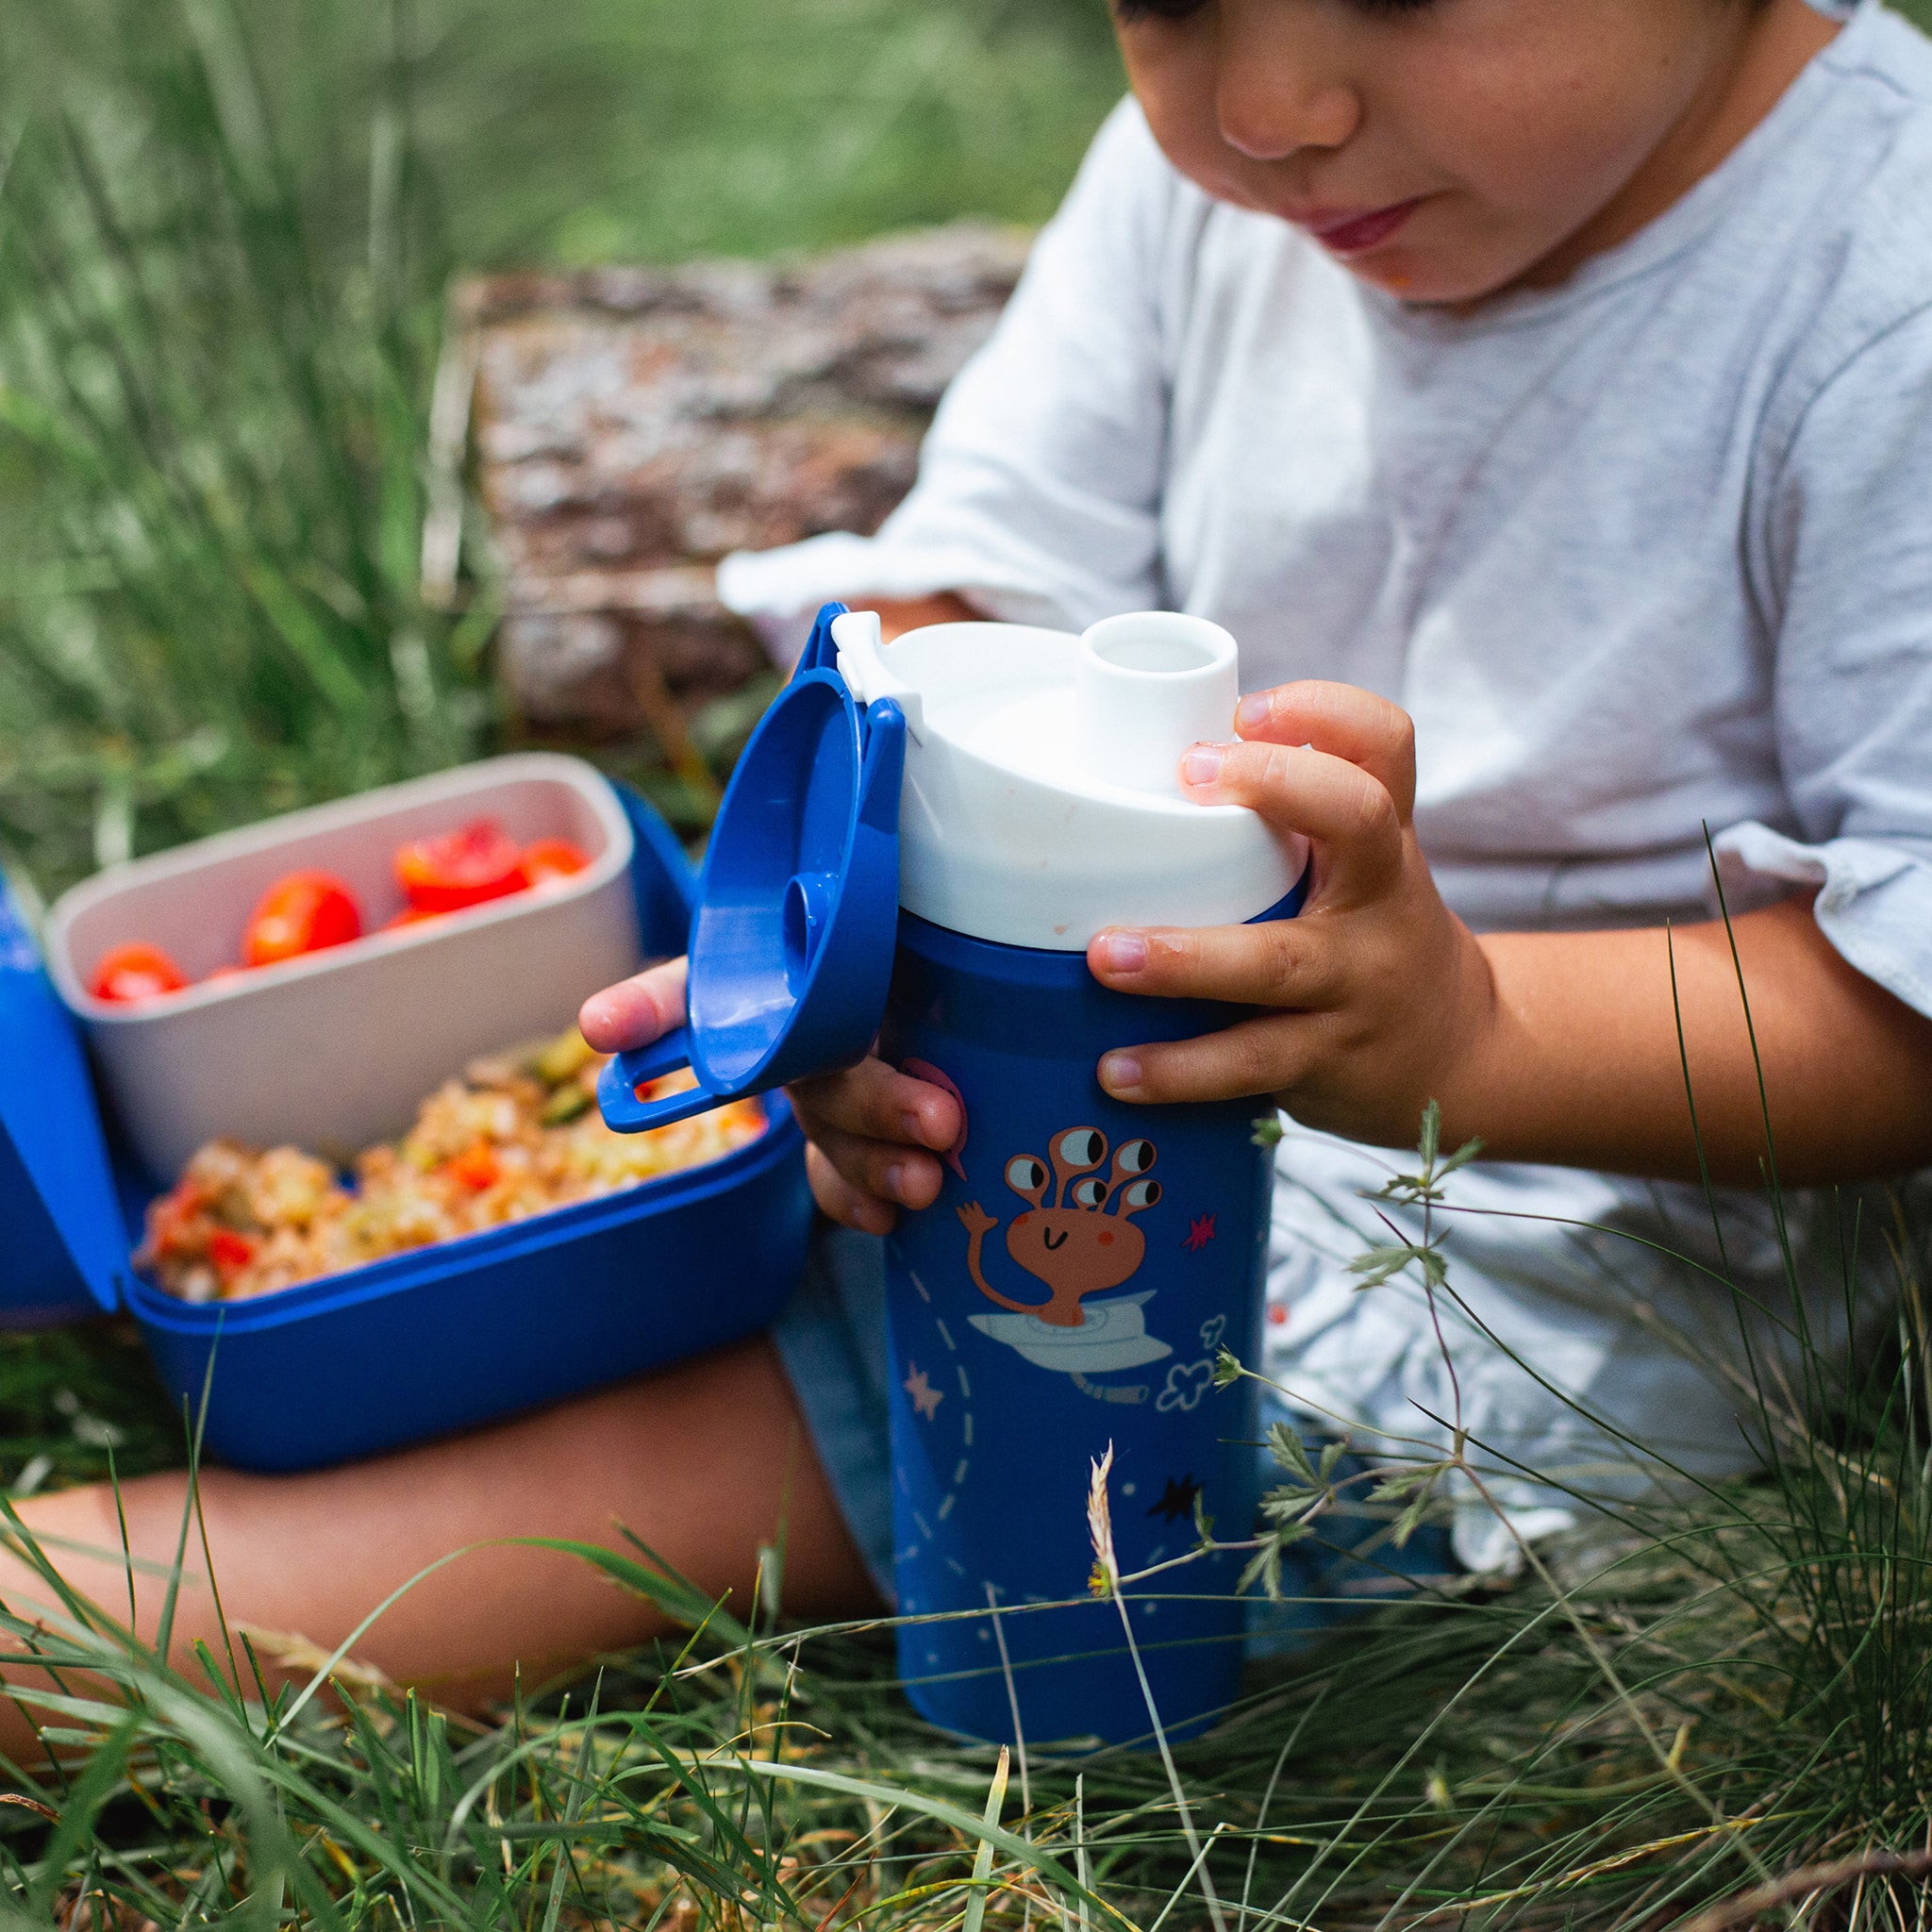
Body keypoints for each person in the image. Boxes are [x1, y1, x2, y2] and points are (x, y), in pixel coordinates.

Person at [7, 0, 1932, 1767]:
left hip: (1482, 1283)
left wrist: (1463, 1033)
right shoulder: (1220, 201)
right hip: (1046, 1102)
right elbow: (955, 611)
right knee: (525, 1201)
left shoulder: (1880, 289)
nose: (1269, 110)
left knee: (330, 1565)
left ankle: (244, 1579)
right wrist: (850, 969)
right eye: (1170, 1)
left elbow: (1895, 1004)